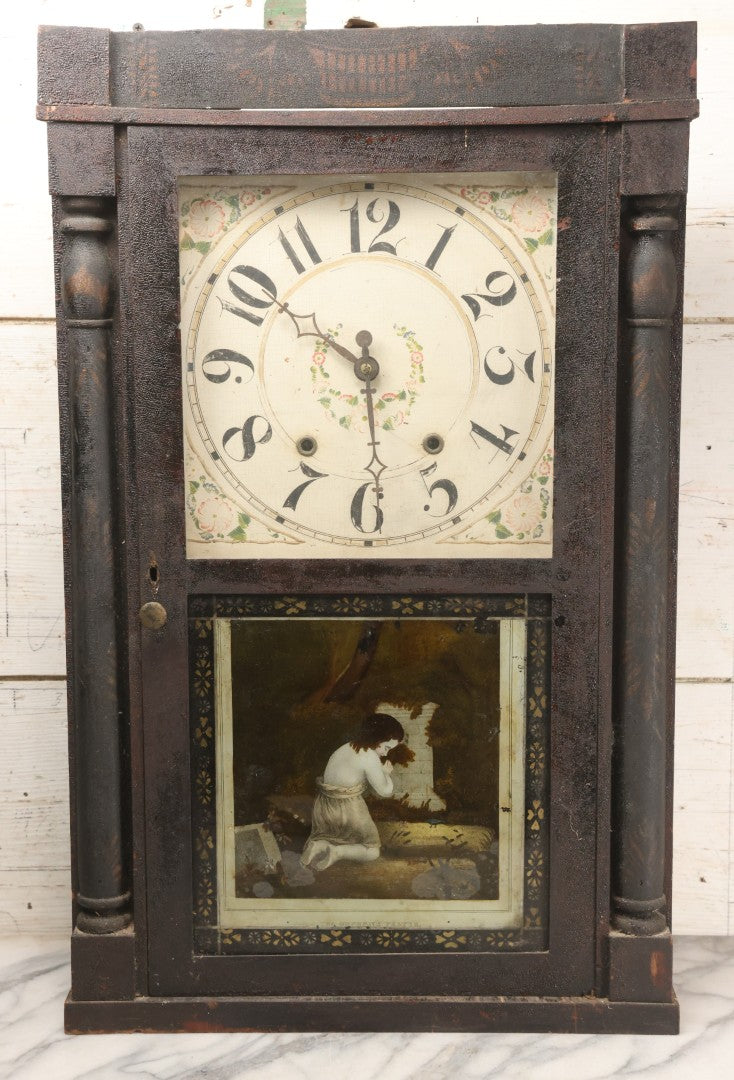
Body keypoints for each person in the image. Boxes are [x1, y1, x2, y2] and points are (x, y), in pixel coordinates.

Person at [300, 713, 405, 871]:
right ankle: (337, 852)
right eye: (386, 747)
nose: (385, 753)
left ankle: (318, 845)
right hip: (348, 808)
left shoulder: (347, 747)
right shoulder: (370, 757)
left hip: (323, 806)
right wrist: (386, 774)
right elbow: (385, 791)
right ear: (376, 739)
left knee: (333, 836)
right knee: (372, 851)